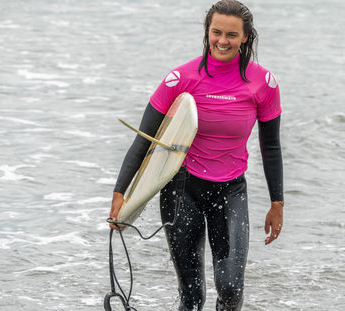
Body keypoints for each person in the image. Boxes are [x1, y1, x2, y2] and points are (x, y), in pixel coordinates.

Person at [108, 0, 284, 309]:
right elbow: (143, 141)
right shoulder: (181, 78)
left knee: (230, 289)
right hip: (181, 191)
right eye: (216, 32)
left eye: (231, 35)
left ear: (245, 37)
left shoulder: (262, 84)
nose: (222, 41)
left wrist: (277, 203)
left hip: (230, 191)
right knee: (191, 295)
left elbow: (270, 146)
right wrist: (121, 193)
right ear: (207, 32)